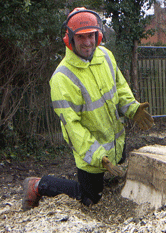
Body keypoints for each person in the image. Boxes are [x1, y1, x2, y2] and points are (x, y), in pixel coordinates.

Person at [22, 7, 154, 210]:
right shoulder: (62, 78)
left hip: (116, 144)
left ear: (98, 34)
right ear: (70, 38)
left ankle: (107, 174)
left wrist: (132, 108)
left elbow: (119, 88)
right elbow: (73, 129)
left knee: (116, 185)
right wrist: (98, 157)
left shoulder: (106, 56)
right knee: (89, 198)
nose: (88, 42)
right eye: (81, 37)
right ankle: (38, 184)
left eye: (91, 36)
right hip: (91, 154)